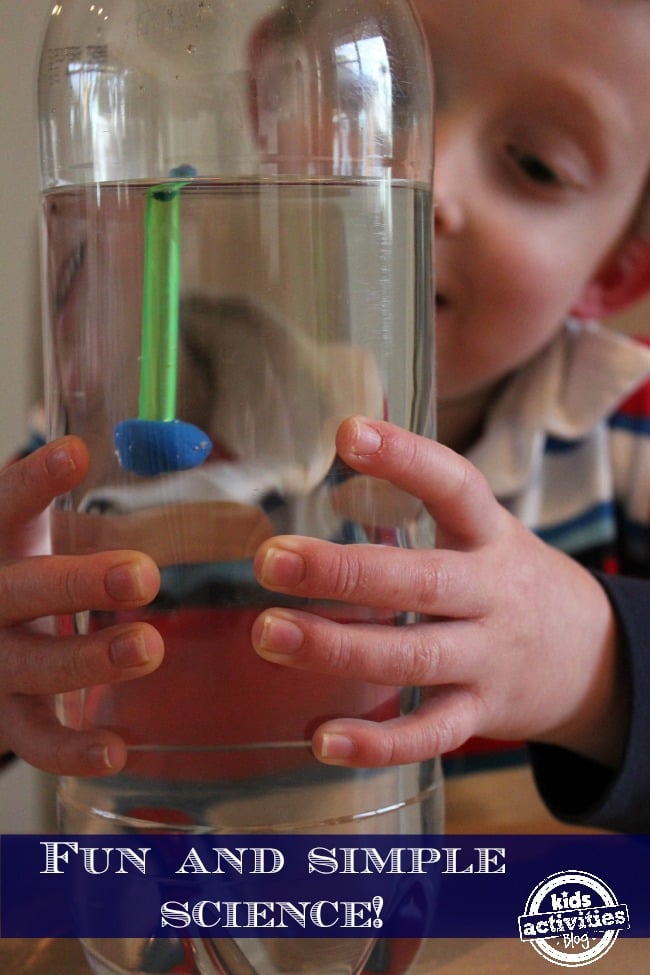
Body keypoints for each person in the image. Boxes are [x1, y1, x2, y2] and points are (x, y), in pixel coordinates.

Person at [0, 0, 649, 831]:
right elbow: (34, 632)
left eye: (534, 164)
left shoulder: (626, 438)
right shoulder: (144, 420)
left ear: (620, 270)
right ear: (271, 90)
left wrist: (593, 662)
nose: (428, 178)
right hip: (178, 913)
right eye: (382, 101)